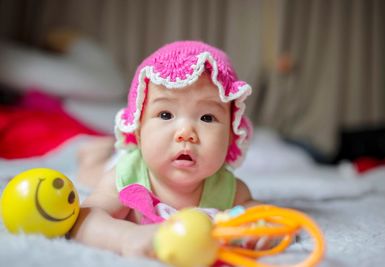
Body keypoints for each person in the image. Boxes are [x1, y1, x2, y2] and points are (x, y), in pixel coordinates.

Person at [71, 40, 260, 258]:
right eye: (165, 115)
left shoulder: (229, 190)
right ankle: (91, 157)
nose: (186, 132)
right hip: (123, 162)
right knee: (92, 175)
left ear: (230, 135)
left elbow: (256, 212)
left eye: (207, 117)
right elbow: (85, 219)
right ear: (139, 130)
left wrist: (260, 228)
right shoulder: (125, 177)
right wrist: (126, 236)